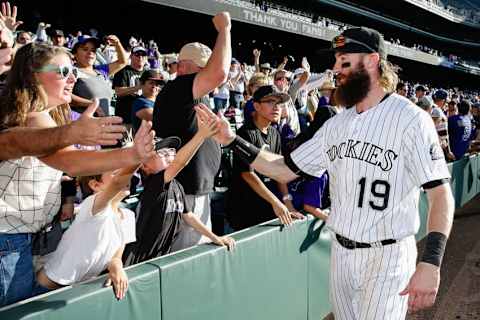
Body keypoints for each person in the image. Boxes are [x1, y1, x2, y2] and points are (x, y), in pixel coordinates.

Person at [203, 26, 455, 318]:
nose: (335, 69)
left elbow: (440, 194)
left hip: (387, 256)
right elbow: (283, 169)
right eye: (336, 61)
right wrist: (232, 139)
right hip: (342, 253)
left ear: (372, 61)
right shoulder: (336, 124)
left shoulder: (411, 119)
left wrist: (431, 260)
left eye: (344, 61)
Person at [0, 43, 155, 307]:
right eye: (63, 71)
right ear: (33, 74)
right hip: (8, 243)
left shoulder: (46, 117)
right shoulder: (31, 119)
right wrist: (130, 156)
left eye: (73, 70)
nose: (73, 78)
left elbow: (63, 168)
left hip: (23, 240)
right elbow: (71, 162)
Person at [152, 12, 231, 251]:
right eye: (202, 68)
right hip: (184, 194)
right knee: (189, 261)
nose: (207, 74)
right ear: (185, 66)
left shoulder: (193, 94)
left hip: (196, 191)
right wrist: (224, 29)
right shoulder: (177, 88)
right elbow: (220, 73)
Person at [123, 111, 235, 265]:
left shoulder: (176, 186)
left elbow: (189, 216)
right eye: (162, 152)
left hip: (159, 258)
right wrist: (201, 135)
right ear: (145, 166)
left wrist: (215, 237)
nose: (170, 154)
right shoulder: (154, 184)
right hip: (138, 261)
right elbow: (180, 163)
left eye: (171, 151)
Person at [36, 165, 137, 300]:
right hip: (45, 288)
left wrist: (117, 267)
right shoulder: (93, 206)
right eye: (115, 173)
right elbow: (118, 182)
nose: (127, 178)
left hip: (76, 291)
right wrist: (138, 156)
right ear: (95, 185)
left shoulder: (128, 216)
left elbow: (116, 257)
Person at [227, 85, 303, 230]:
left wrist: (288, 203)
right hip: (245, 209)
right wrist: (276, 202)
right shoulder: (246, 133)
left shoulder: (275, 133)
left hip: (267, 206)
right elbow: (247, 174)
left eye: (279, 103)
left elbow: (278, 172)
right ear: (256, 106)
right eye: (270, 102)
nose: (276, 107)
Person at [71, 35, 128, 116]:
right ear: (75, 53)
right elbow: (64, 96)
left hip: (105, 124)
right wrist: (91, 104)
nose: (90, 52)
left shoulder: (100, 71)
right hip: (85, 124)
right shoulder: (70, 71)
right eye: (85, 49)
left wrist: (117, 44)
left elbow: (122, 62)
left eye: (93, 50)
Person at [113, 45, 148, 126]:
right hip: (126, 119)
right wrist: (139, 87)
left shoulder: (148, 73)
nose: (140, 57)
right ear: (131, 56)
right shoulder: (122, 71)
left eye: (143, 55)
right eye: (137, 54)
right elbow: (118, 92)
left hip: (143, 121)